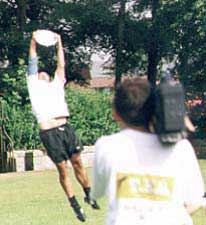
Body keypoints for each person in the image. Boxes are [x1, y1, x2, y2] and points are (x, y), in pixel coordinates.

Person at [91, 77, 205, 225]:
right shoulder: (182, 148)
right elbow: (194, 199)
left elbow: (97, 192)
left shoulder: (106, 146)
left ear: (115, 113)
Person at [26, 30, 99, 222]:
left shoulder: (57, 84)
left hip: (65, 127)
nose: (41, 74)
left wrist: (59, 42)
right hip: (49, 132)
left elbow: (61, 64)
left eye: (44, 73)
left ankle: (88, 193)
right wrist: (34, 41)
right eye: (38, 73)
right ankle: (75, 205)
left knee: (78, 163)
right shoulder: (33, 85)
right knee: (63, 169)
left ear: (49, 77)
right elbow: (32, 59)